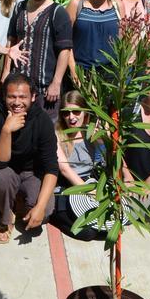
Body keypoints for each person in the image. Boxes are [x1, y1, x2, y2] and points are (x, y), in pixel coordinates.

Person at [0, 73, 59, 244]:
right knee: (1, 177)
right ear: (4, 97)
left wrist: (39, 208)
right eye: (11, 96)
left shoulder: (43, 121)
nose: (17, 102)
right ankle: (6, 218)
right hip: (6, 170)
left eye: (22, 97)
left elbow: (51, 168)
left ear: (33, 97)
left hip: (32, 172)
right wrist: (6, 130)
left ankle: (21, 202)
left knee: (45, 212)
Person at [2, 0, 72, 118]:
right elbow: (11, 40)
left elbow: (65, 51)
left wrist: (56, 83)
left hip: (45, 91)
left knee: (43, 136)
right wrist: (6, 72)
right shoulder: (19, 8)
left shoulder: (57, 13)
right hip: (18, 90)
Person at [50, 91, 105, 239]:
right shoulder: (57, 134)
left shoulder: (91, 132)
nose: (71, 117)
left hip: (89, 183)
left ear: (84, 113)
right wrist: (89, 192)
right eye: (66, 113)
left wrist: (101, 140)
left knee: (105, 227)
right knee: (88, 233)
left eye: (76, 112)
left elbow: (107, 158)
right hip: (65, 187)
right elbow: (65, 169)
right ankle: (53, 215)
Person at [67, 0, 124, 75]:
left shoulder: (118, 6)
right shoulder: (76, 4)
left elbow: (122, 41)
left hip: (109, 75)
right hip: (81, 72)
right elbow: (65, 42)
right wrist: (74, 72)